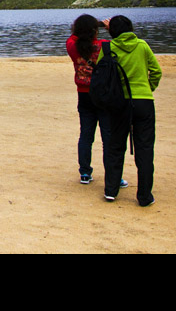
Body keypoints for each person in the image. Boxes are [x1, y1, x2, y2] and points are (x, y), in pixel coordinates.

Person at [98, 15, 161, 206]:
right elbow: (156, 71)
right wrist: (148, 88)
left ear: (112, 31)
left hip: (119, 103)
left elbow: (101, 75)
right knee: (145, 148)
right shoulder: (142, 46)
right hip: (143, 101)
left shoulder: (108, 48)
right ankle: (144, 196)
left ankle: (111, 190)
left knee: (116, 146)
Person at [67, 14, 112, 185]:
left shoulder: (72, 46)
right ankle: (113, 173)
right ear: (95, 31)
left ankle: (85, 172)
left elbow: (72, 37)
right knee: (108, 135)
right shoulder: (104, 46)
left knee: (86, 135)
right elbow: (121, 43)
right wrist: (108, 29)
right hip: (103, 94)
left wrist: (83, 28)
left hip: (84, 93)